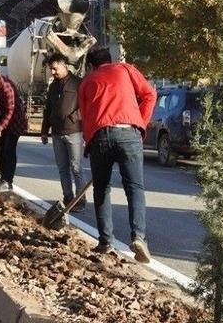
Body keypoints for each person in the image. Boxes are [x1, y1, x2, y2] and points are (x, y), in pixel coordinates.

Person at [78, 47, 156, 263]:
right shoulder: (126, 70)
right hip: (128, 132)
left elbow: (86, 117)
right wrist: (140, 123)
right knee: (134, 187)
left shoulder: (87, 82)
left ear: (91, 65)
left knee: (102, 189)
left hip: (100, 136)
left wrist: (90, 144)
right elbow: (149, 95)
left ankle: (105, 241)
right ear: (110, 60)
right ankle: (138, 236)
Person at [40, 53, 86, 212]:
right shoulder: (53, 87)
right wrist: (44, 131)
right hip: (57, 133)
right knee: (62, 168)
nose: (53, 72)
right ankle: (68, 197)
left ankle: (80, 201)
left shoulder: (78, 83)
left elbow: (86, 106)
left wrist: (74, 118)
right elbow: (48, 109)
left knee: (76, 167)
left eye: (55, 68)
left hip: (73, 132)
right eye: (51, 69)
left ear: (64, 65)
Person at [0, 62, 28, 193]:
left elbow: (10, 111)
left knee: (9, 150)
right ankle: (2, 179)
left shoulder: (7, 87)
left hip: (15, 122)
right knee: (1, 150)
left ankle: (8, 182)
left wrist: (0, 128)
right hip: (3, 121)